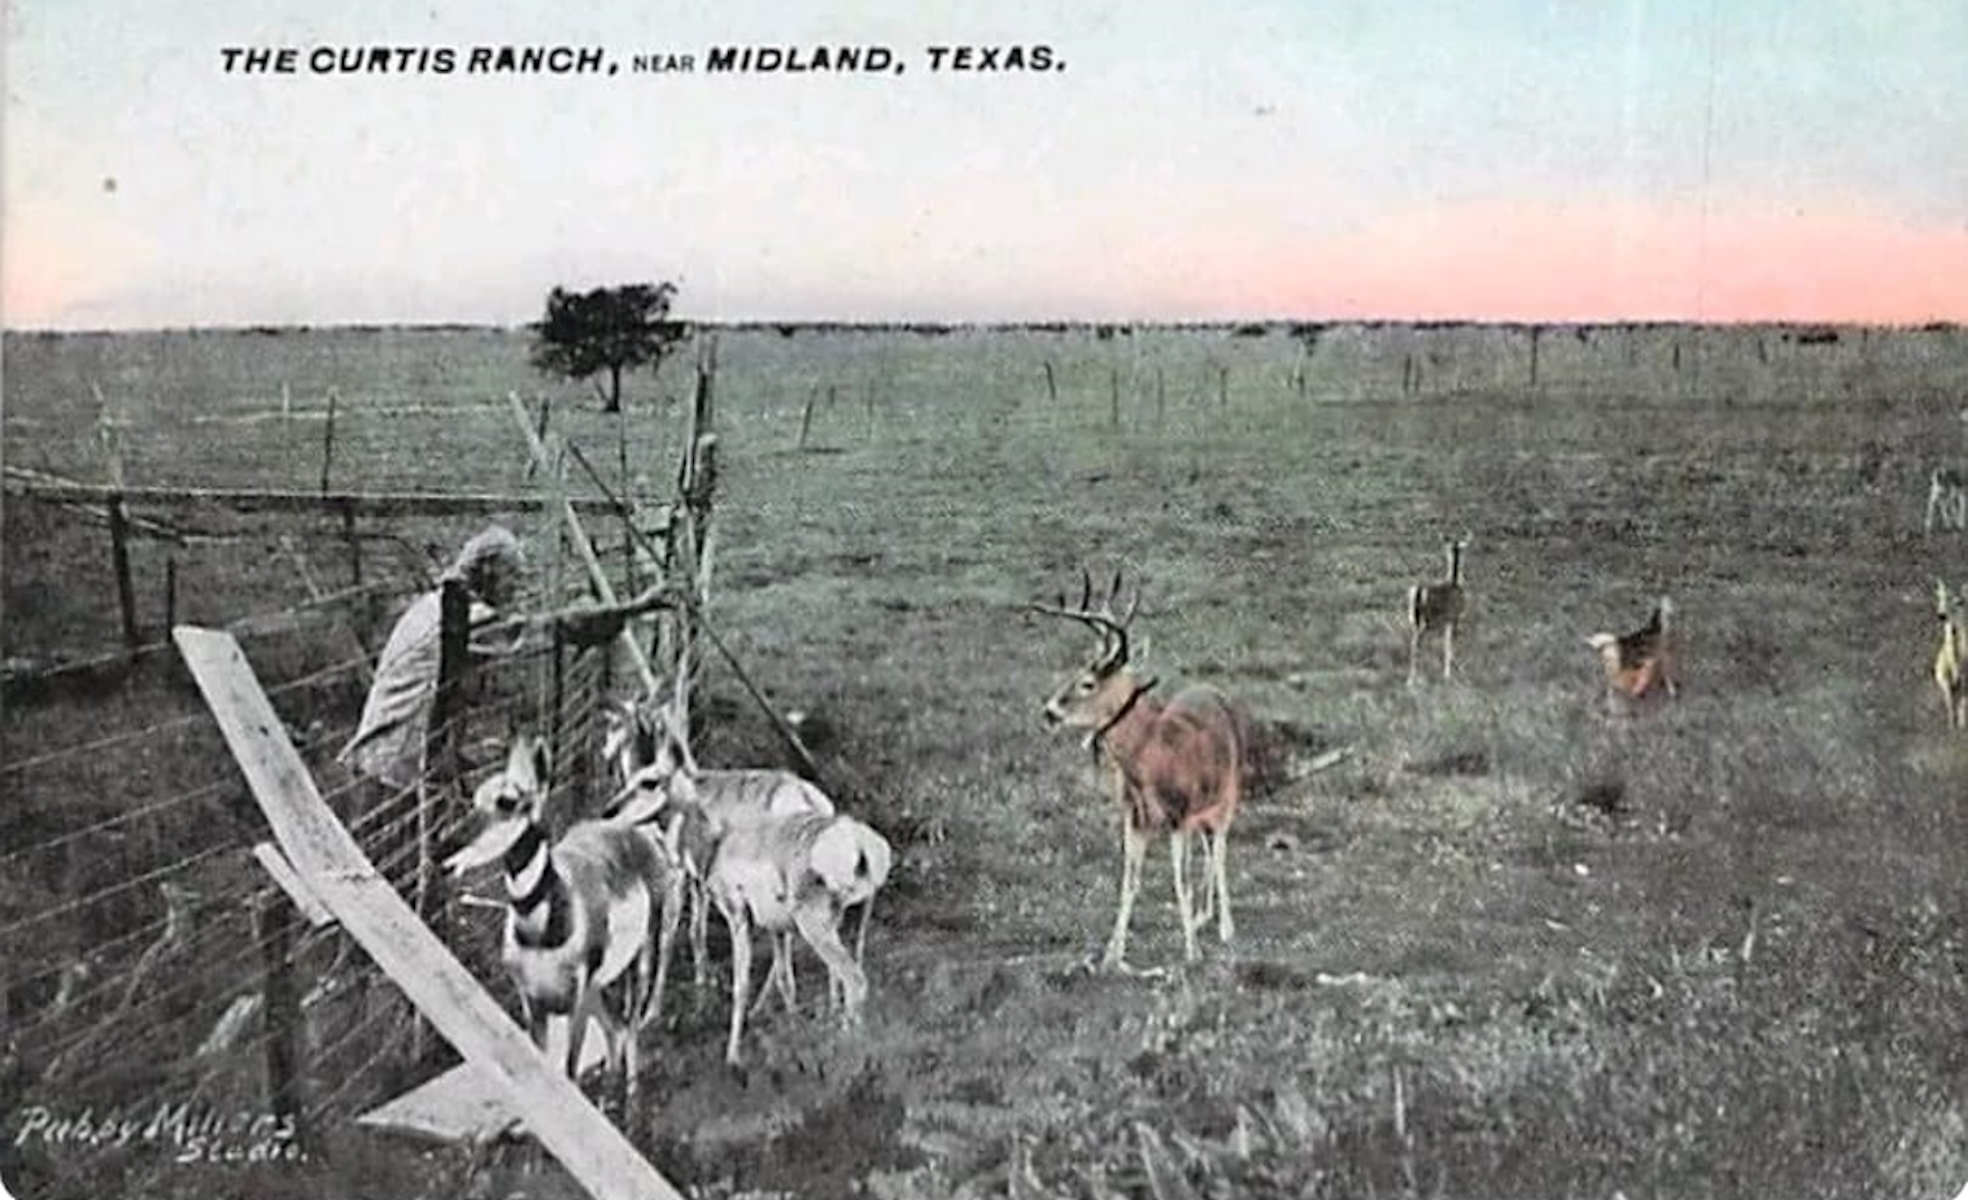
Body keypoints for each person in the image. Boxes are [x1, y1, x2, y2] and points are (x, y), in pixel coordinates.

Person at [338, 524, 529, 791]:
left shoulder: (433, 604)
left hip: (382, 750)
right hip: (399, 762)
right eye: (513, 576)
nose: (516, 588)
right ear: (488, 571)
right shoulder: (465, 618)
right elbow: (529, 642)